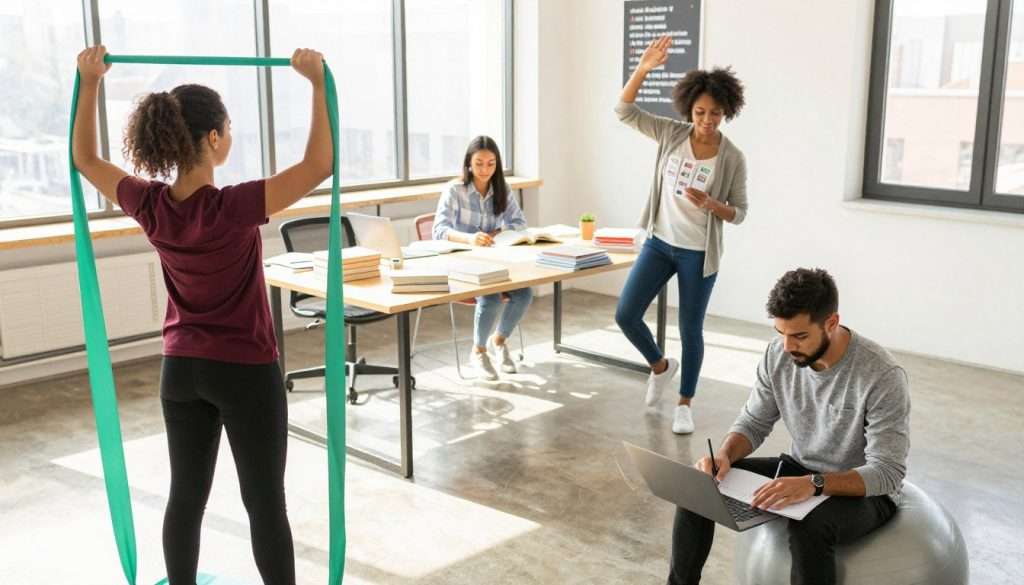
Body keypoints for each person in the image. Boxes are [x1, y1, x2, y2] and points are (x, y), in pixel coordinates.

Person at [72, 45, 332, 585]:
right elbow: (319, 167)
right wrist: (314, 83)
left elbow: (86, 160)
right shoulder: (234, 205)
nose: (230, 137)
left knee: (185, 499)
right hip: (243, 371)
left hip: (181, 370)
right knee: (265, 505)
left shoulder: (149, 204)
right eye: (229, 129)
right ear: (213, 138)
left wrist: (89, 82)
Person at [667, 268, 911, 585]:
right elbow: (754, 421)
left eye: (798, 336)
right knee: (696, 489)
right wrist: (725, 455)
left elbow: (888, 471)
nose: (786, 346)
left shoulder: (881, 375)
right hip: (800, 469)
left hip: (866, 493)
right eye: (780, 333)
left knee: (810, 525)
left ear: (831, 323)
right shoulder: (778, 354)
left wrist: (815, 483)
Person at [614, 34, 750, 434]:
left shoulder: (732, 158)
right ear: (689, 109)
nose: (707, 121)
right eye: (700, 112)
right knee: (625, 315)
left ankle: (685, 403)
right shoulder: (671, 134)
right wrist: (643, 68)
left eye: (715, 114)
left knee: (690, 330)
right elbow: (623, 110)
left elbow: (739, 213)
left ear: (726, 113)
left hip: (697, 253)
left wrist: (711, 204)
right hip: (659, 243)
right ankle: (659, 366)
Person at [432, 136, 532, 381]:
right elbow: (439, 230)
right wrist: (469, 239)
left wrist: (497, 233)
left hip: (495, 260)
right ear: (468, 164)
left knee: (524, 293)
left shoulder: (502, 189)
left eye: (491, 163)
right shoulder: (454, 190)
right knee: (492, 295)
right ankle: (478, 351)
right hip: (461, 263)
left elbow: (519, 223)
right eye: (479, 164)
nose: (485, 170)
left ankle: (498, 341)